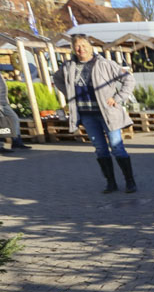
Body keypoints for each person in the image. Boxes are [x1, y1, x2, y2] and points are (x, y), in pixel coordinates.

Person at [53, 34, 137, 193]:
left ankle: (130, 181)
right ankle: (111, 183)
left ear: (90, 47)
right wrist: (69, 93)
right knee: (100, 149)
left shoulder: (104, 64)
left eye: (84, 45)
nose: (81, 49)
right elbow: (57, 79)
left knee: (117, 147)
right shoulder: (68, 66)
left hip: (107, 114)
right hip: (87, 115)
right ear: (73, 48)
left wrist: (118, 98)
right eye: (77, 46)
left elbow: (129, 80)